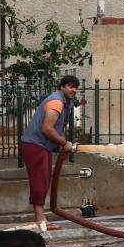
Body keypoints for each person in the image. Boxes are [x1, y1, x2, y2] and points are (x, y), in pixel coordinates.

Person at [20, 74, 80, 233]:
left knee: (43, 180)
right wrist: (64, 143)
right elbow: (47, 128)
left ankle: (42, 219)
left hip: (40, 145)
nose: (73, 90)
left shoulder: (65, 102)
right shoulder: (57, 101)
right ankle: (41, 221)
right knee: (40, 181)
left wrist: (61, 144)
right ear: (62, 87)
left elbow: (56, 128)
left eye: (75, 87)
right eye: (70, 86)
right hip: (35, 145)